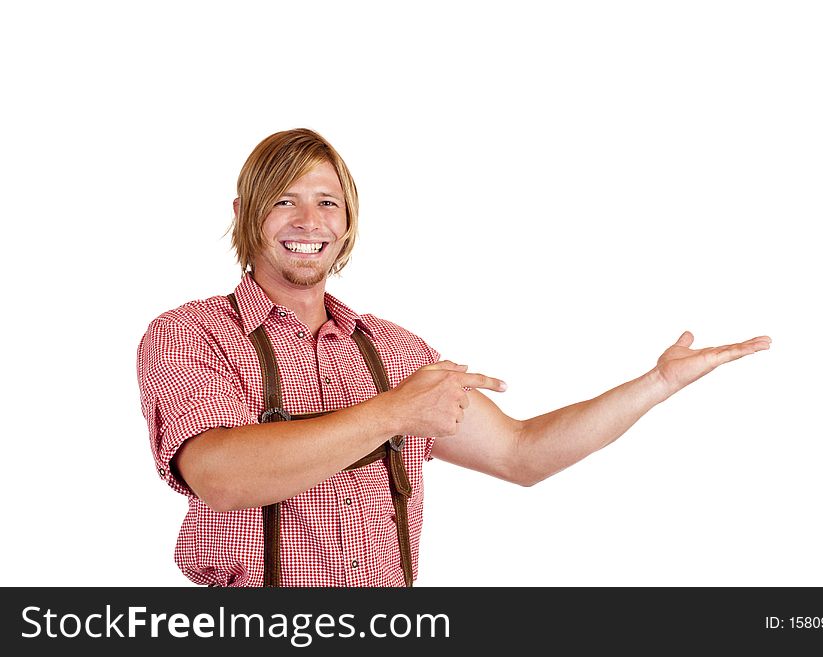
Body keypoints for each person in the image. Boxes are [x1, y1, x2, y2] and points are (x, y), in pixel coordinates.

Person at [136, 128, 771, 587]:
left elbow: (523, 454)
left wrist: (655, 384)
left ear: (349, 221)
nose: (309, 219)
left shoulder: (394, 352)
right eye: (284, 200)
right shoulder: (189, 334)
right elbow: (219, 477)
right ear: (246, 215)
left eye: (327, 201)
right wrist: (391, 415)